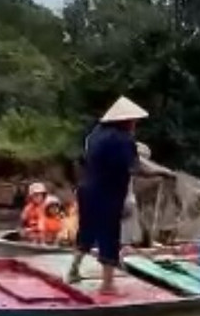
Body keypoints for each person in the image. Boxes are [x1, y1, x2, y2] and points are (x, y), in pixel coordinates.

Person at [67, 96, 172, 293]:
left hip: (86, 189)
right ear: (126, 121)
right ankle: (108, 285)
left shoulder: (95, 134)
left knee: (87, 230)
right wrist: (162, 172)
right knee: (109, 235)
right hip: (107, 193)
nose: (135, 124)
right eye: (134, 121)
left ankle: (73, 270)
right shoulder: (123, 139)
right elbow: (137, 167)